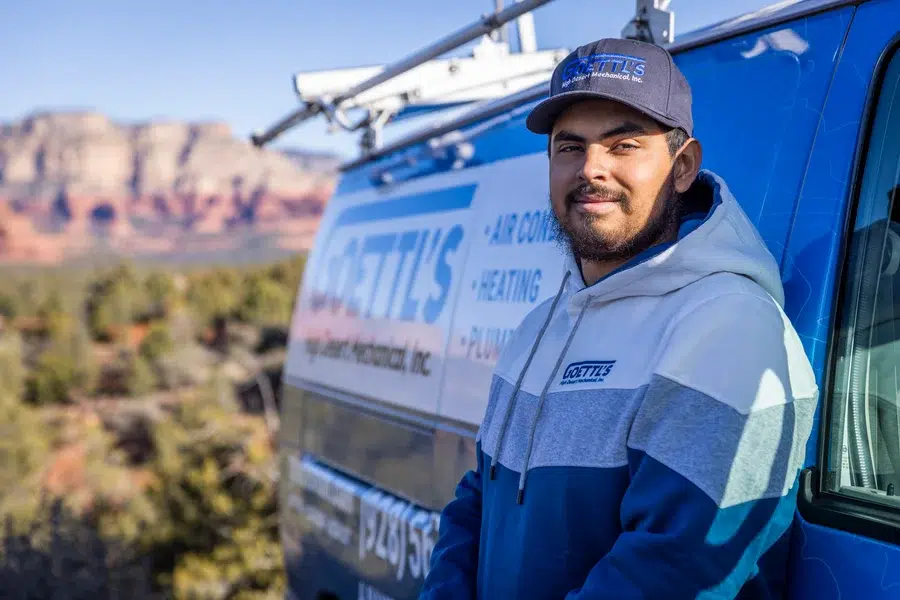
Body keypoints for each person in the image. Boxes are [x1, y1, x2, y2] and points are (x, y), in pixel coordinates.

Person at [418, 37, 818, 600]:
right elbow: (477, 501)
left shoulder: (728, 326)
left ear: (683, 167)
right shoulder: (540, 327)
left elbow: (675, 569)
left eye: (623, 144)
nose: (591, 169)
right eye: (569, 147)